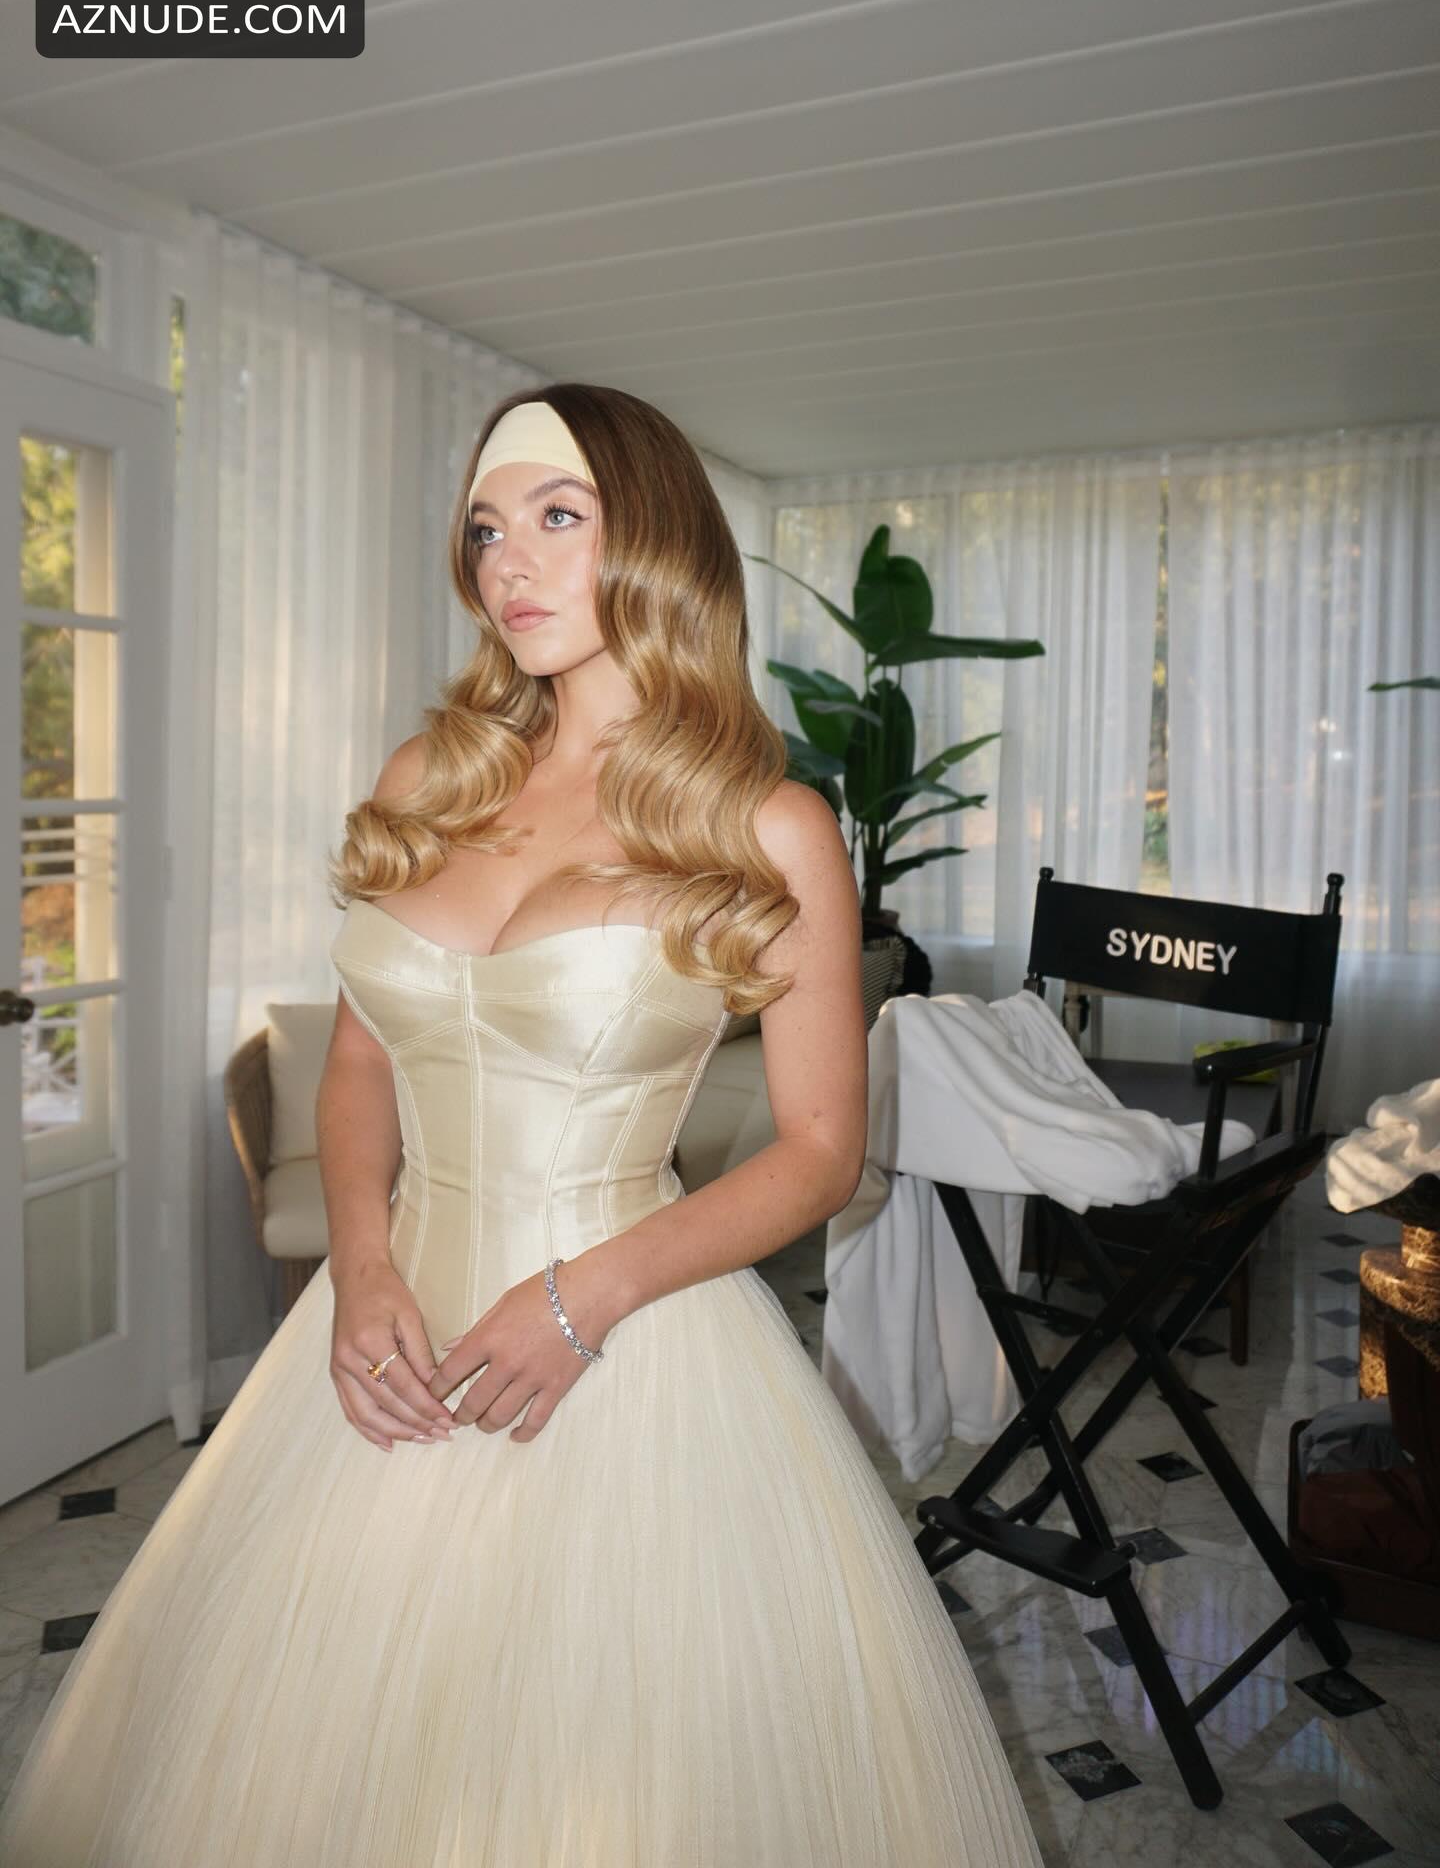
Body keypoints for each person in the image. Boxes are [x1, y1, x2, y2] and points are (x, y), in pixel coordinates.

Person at [0, 384, 1044, 1866]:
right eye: (489, 529)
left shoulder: (766, 823)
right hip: (394, 1323)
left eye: (560, 517)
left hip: (627, 1332)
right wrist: (360, 1267)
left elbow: (821, 1151)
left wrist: (579, 1301)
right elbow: (358, 1066)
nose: (510, 564)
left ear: (659, 541)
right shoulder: (431, 778)